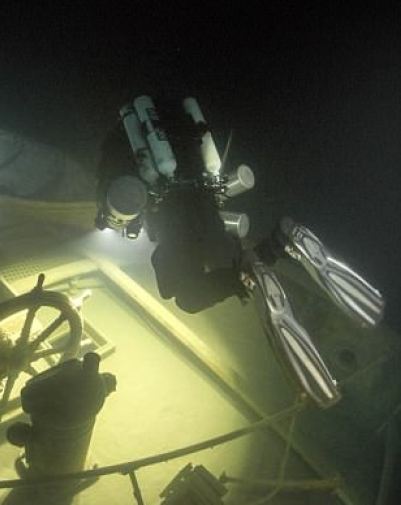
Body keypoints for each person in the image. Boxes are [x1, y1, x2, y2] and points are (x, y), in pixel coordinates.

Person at [95, 95, 385, 408]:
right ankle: (282, 241)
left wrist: (111, 219)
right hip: (208, 201)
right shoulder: (175, 127)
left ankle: (249, 272)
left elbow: (120, 197)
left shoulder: (121, 143)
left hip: (175, 216)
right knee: (234, 264)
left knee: (182, 295)